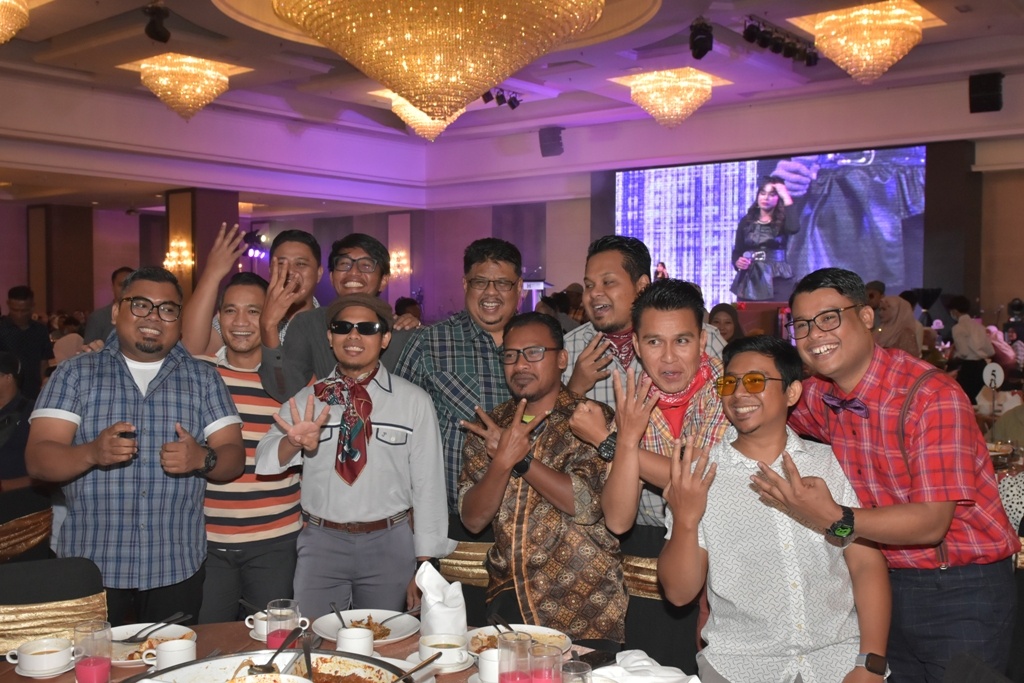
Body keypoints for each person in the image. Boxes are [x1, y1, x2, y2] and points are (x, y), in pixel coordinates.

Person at [753, 267, 1018, 681]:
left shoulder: (930, 395)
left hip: (961, 589)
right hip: (881, 584)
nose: (814, 335)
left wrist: (834, 517)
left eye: (828, 318)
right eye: (801, 325)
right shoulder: (818, 395)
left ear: (865, 317)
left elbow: (931, 523)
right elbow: (752, 410)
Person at [659, 334, 891, 683]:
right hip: (740, 667)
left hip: (838, 662)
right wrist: (686, 519)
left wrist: (870, 663)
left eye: (755, 381)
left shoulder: (829, 463)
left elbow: (865, 564)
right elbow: (679, 594)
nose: (739, 394)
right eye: (729, 383)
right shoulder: (698, 476)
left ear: (792, 392)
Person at [25, 266, 245, 625]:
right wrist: (91, 453)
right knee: (93, 661)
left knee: (172, 661)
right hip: (92, 568)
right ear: (116, 311)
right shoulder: (75, 373)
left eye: (167, 309)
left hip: (176, 565)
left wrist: (201, 458)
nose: (154, 317)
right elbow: (37, 459)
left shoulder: (203, 378)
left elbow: (234, 456)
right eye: (140, 305)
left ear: (179, 320)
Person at [255, 294, 453, 619]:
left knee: (384, 638)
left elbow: (428, 486)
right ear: (330, 337)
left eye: (367, 328)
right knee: (313, 636)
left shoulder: (413, 401)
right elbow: (264, 458)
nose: (354, 336)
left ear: (384, 338)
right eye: (343, 327)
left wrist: (425, 563)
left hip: (389, 542)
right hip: (321, 542)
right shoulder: (308, 399)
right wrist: (292, 442)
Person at [568, 277, 727, 672]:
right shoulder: (635, 397)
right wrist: (625, 440)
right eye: (655, 342)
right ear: (637, 346)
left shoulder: (729, 390)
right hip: (656, 565)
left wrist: (610, 440)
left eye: (682, 341)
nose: (669, 358)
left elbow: (696, 479)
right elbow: (619, 519)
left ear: (702, 341)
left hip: (729, 566)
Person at [459, 312, 627, 649]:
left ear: (562, 359)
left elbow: (586, 505)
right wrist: (501, 463)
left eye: (534, 352)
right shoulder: (491, 426)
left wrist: (521, 461)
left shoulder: (591, 418)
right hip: (510, 599)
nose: (520, 364)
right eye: (510, 355)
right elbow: (473, 520)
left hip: (586, 603)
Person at [195, 272, 302, 623]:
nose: (240, 322)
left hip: (277, 540)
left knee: (275, 641)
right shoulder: (198, 373)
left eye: (253, 311)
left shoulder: (292, 379)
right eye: (230, 310)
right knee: (209, 640)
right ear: (218, 317)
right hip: (207, 541)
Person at [394, 238, 523, 521]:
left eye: (503, 283)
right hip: (447, 516)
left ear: (519, 287)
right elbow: (396, 426)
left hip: (528, 518)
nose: (491, 292)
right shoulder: (430, 342)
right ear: (465, 285)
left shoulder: (539, 343)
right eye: (480, 282)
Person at [260, 233, 418, 402]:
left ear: (384, 280)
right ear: (331, 277)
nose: (353, 272)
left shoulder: (402, 333)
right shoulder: (309, 324)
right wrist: (268, 326)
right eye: (344, 264)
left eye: (366, 266)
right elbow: (286, 389)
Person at [182, 224, 323, 357]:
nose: (290, 271)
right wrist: (212, 274)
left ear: (319, 273)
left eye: (300, 264)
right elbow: (192, 350)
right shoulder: (248, 315)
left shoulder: (328, 324)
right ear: (270, 271)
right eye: (281, 264)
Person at [729, 178, 795, 302]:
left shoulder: (783, 220)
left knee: (778, 312)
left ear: (778, 198)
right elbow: (737, 251)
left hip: (777, 277)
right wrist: (738, 262)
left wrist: (786, 196)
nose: (766, 198)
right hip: (750, 279)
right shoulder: (746, 221)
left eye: (772, 195)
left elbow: (794, 228)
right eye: (763, 193)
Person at [0, 286, 53, 400]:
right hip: (6, 394)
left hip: (34, 391)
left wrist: (44, 386)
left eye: (24, 310)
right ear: (8, 304)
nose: (19, 315)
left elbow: (44, 362)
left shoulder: (40, 330)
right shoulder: (1, 329)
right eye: (15, 310)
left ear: (32, 306)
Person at [947, 294, 994, 404]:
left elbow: (963, 352)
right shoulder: (980, 327)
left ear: (954, 311)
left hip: (968, 369)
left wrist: (954, 355)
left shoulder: (958, 328)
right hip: (982, 367)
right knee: (981, 401)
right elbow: (991, 351)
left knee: (967, 401)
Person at [0, 351, 33, 491]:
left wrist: (5, 486)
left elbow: (48, 470)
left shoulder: (32, 413)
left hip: (18, 498)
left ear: (8, 377)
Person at [82, 266, 133, 345]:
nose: (125, 288)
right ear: (113, 287)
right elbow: (89, 349)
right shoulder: (98, 318)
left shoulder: (144, 316)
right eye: (121, 285)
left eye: (130, 285)